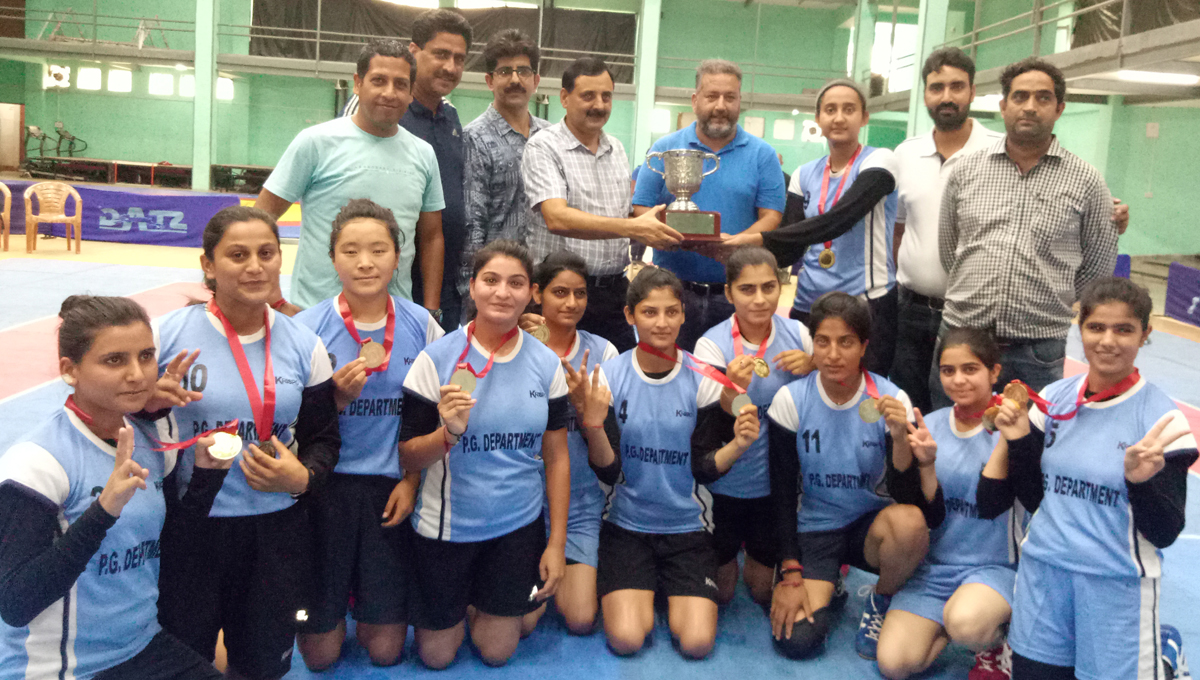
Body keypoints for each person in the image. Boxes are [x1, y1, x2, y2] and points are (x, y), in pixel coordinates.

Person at [154, 206, 341, 680]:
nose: (255, 266)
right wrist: (149, 405)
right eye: (238, 255)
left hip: (275, 529)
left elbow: (323, 437)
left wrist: (304, 478)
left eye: (266, 253)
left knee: (260, 665)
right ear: (208, 266)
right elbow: (126, 422)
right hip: (191, 526)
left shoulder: (303, 344)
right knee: (185, 658)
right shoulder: (167, 337)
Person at [0, 296, 229, 680]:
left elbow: (172, 550)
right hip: (60, 668)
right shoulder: (38, 462)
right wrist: (103, 510)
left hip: (142, 646)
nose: (138, 374)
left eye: (146, 356)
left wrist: (208, 475)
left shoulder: (154, 437)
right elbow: (16, 604)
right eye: (114, 360)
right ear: (69, 370)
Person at [982, 277, 1197, 680]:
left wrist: (1139, 482)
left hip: (1114, 584)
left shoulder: (1161, 420)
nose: (1108, 341)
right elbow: (1036, 499)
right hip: (1044, 574)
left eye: (1124, 329)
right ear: (1079, 330)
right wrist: (1019, 443)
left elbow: (1165, 532)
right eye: (1096, 327)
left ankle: (1163, 661)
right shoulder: (1055, 400)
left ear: (1145, 335)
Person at [397, 240, 569, 668]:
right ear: (471, 288)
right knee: (436, 657)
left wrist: (556, 543)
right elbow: (407, 458)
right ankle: (480, 603)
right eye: (490, 281)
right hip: (447, 530)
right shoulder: (434, 359)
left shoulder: (547, 364)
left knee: (498, 652)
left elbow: (558, 457)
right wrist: (448, 435)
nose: (502, 292)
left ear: (531, 293)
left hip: (516, 527)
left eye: (516, 283)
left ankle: (498, 605)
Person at [572, 266, 759, 659]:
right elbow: (609, 470)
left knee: (696, 644)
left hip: (687, 528)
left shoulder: (705, 378)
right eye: (649, 312)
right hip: (626, 526)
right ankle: (644, 587)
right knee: (626, 639)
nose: (661, 322)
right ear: (629, 316)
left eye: (671, 312)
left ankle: (662, 587)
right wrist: (592, 424)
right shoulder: (610, 375)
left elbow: (704, 468)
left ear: (683, 314)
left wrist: (739, 445)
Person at [292, 199, 444, 670]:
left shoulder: (423, 326)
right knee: (319, 658)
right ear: (332, 257)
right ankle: (334, 604)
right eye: (351, 250)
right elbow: (287, 425)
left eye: (378, 250)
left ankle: (370, 601)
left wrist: (411, 482)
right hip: (324, 490)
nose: (365, 262)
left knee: (386, 652)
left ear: (398, 258)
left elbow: (440, 419)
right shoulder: (305, 330)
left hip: (391, 490)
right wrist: (331, 402)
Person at [936, 57, 1118, 403]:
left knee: (1027, 451)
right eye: (1020, 97)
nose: (1030, 107)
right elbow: (950, 252)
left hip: (1037, 350)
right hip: (962, 341)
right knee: (950, 440)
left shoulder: (1087, 182)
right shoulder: (966, 171)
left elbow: (1096, 268)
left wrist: (1046, 299)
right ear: (1003, 106)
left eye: (1043, 98)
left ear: (1059, 108)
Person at [767, 291, 928, 661]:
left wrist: (900, 437)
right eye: (822, 342)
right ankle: (832, 586)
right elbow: (781, 493)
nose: (833, 354)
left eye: (846, 342)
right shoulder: (791, 400)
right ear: (812, 345)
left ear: (864, 346)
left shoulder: (891, 400)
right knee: (797, 640)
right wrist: (791, 570)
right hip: (815, 529)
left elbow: (909, 495)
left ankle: (881, 598)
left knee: (911, 524)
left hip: (869, 528)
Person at [256, 39, 445, 317]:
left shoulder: (424, 154)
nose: (390, 93)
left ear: (410, 93)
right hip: (315, 314)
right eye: (378, 80)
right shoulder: (315, 143)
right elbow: (260, 220)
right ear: (358, 83)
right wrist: (274, 298)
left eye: (400, 84)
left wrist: (430, 309)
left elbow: (431, 237)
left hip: (394, 319)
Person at [726, 80, 899, 376]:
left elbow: (838, 220)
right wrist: (735, 254)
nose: (839, 117)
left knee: (860, 396)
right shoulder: (805, 174)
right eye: (830, 110)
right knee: (802, 388)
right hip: (809, 303)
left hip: (866, 302)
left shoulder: (880, 160)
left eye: (849, 109)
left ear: (864, 117)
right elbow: (791, 246)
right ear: (818, 119)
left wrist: (756, 238)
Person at [875, 328, 1019, 680]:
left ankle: (995, 639)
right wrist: (924, 463)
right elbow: (930, 516)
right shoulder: (931, 425)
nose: (958, 380)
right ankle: (954, 624)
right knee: (893, 664)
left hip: (993, 568)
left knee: (966, 623)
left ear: (994, 372)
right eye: (948, 370)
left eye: (970, 369)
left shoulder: (1017, 430)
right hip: (935, 570)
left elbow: (994, 504)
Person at [522, 56, 684, 352]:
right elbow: (557, 217)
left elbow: (621, 215)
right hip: (560, 297)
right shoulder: (543, 146)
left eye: (606, 96)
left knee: (610, 382)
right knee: (553, 382)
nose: (599, 104)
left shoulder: (617, 149)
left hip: (612, 294)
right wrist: (634, 227)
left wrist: (672, 227)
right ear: (564, 98)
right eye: (588, 96)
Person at [632, 59, 786, 351]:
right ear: (695, 100)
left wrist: (740, 245)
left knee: (732, 380)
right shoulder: (665, 148)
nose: (720, 105)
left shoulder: (762, 155)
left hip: (736, 294)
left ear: (740, 101)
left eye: (730, 97)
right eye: (712, 96)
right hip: (673, 294)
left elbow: (772, 215)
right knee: (672, 376)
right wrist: (664, 235)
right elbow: (641, 208)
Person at [692, 246, 813, 605]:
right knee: (724, 595)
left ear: (781, 287)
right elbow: (714, 415)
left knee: (760, 591)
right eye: (747, 289)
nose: (760, 299)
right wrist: (732, 388)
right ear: (728, 293)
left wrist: (815, 366)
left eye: (769, 287)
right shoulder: (711, 346)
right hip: (725, 486)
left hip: (775, 487)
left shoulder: (800, 337)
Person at [888, 48, 1004, 414]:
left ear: (972, 91)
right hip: (909, 310)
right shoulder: (904, 154)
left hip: (972, 315)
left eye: (957, 86)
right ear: (925, 94)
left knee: (961, 413)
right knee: (909, 409)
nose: (947, 97)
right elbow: (898, 230)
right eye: (937, 87)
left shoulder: (1001, 151)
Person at [520, 250, 619, 636]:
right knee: (522, 625)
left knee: (580, 618)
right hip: (523, 506)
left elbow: (609, 465)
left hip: (579, 504)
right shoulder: (516, 345)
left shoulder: (602, 353)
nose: (572, 302)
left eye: (580, 293)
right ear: (537, 294)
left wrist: (585, 413)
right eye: (560, 292)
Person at [399, 9, 474, 332]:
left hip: (444, 282)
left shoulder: (452, 119)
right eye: (441, 54)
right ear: (413, 51)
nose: (450, 67)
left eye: (459, 58)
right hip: (392, 276)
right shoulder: (382, 110)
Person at [460, 29, 550, 297]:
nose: (515, 79)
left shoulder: (551, 137)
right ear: (489, 80)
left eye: (523, 71)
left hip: (545, 283)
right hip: (498, 288)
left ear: (535, 80)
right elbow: (472, 226)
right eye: (504, 72)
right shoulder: (474, 138)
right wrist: (473, 294)